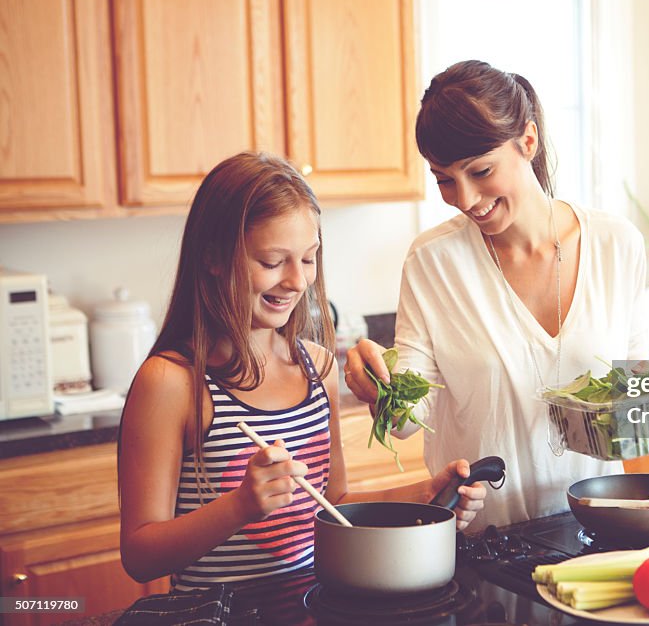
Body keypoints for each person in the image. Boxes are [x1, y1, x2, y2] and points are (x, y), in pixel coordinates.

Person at [118, 151, 487, 591]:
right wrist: (239, 507)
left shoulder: (318, 366)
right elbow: (140, 556)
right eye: (273, 262)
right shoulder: (172, 382)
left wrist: (425, 495)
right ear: (214, 259)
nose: (297, 281)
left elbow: (334, 504)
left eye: (308, 259)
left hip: (311, 608)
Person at [344, 60, 649, 529]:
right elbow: (408, 421)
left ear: (528, 141)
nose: (464, 198)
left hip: (597, 537)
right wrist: (380, 386)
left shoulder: (617, 244)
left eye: (480, 170)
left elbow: (637, 416)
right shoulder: (433, 262)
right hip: (481, 547)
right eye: (444, 178)